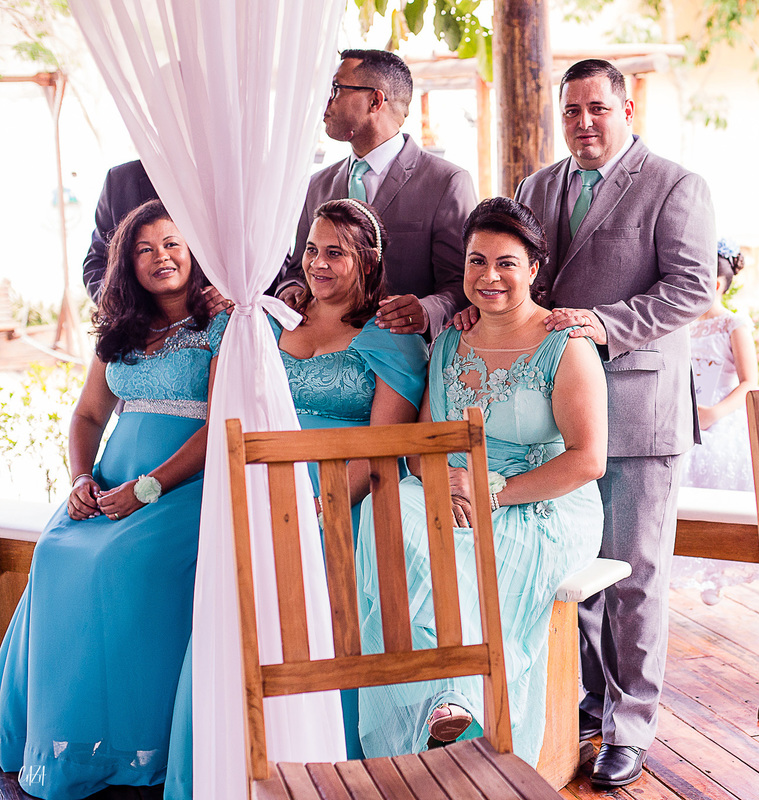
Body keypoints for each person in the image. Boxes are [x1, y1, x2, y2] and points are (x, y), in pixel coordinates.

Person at [162, 198, 427, 798]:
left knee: (314, 621)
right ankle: (231, 759)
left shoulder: (390, 340)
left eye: (336, 252)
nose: (319, 264)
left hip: (340, 499)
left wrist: (322, 508)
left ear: (369, 261)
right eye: (312, 249)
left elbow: (383, 448)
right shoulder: (270, 322)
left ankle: (329, 767)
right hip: (258, 487)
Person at [510, 58, 715, 787]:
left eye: (598, 108)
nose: (584, 123)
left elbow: (691, 287)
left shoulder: (674, 184)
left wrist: (603, 324)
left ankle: (632, 725)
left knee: (635, 577)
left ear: (628, 109)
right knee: (575, 573)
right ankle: (591, 704)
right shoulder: (537, 187)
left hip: (639, 411)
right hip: (555, 418)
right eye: (571, 111)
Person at [354, 197, 607, 766]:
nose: (488, 277)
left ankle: (465, 706)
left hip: (543, 500)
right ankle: (442, 700)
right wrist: (446, 482)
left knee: (466, 545)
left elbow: (589, 459)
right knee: (386, 510)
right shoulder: (447, 343)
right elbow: (423, 445)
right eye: (476, 261)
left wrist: (494, 492)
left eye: (506, 263)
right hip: (457, 489)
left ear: (534, 269)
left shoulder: (565, 345)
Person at [0, 200, 225, 799]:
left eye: (174, 244)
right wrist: (80, 480)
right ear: (128, 262)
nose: (162, 258)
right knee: (54, 553)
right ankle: (58, 739)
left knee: (119, 564)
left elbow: (225, 422)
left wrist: (149, 488)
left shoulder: (223, 324)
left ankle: (130, 745)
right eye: (145, 249)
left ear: (195, 248)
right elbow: (88, 414)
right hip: (111, 481)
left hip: (185, 486)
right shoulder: (120, 329)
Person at [276, 49, 477, 338]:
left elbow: (463, 282)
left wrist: (426, 310)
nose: (325, 101)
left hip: (407, 357)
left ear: (375, 100)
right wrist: (291, 290)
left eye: (335, 89)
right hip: (323, 352)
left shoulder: (447, 182)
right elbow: (297, 269)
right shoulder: (316, 185)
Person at [672, 238, 759, 605]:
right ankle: (681, 561)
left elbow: (750, 382)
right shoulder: (683, 325)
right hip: (683, 414)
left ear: (717, 285)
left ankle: (715, 569)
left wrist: (713, 415)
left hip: (719, 415)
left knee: (716, 475)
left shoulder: (732, 324)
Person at [82, 159, 159, 302]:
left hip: (208, 313)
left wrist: (215, 288)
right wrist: (116, 302)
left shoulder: (211, 171)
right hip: (139, 317)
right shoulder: (120, 180)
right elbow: (97, 262)